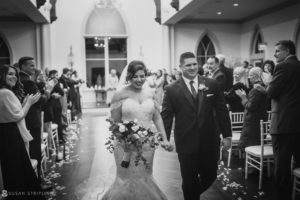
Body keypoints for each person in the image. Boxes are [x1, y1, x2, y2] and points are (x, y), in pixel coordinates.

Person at [161, 52, 232, 200]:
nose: (193, 67)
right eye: (188, 65)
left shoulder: (211, 84)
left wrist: (227, 135)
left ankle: (191, 194)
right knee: (189, 179)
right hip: (186, 142)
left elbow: (222, 110)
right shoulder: (171, 89)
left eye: (194, 64)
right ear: (180, 67)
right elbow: (166, 116)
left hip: (210, 140)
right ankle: (191, 194)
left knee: (210, 175)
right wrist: (165, 138)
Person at [101, 60, 172, 200]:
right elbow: (114, 123)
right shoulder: (120, 94)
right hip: (124, 145)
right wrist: (126, 138)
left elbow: (157, 118)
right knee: (125, 178)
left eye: (142, 76)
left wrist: (165, 139)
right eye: (135, 76)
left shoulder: (151, 93)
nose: (139, 80)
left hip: (147, 144)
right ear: (129, 76)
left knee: (145, 177)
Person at [0, 65, 45, 199]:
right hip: (10, 134)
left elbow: (12, 112)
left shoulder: (4, 92)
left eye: (15, 74)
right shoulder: (5, 93)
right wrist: (29, 103)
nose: (14, 77)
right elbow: (18, 116)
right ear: (1, 75)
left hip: (6, 133)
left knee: (13, 170)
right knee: (18, 171)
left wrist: (25, 102)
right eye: (9, 74)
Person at [267, 40, 300, 200]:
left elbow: (272, 92)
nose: (275, 54)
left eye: (278, 51)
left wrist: (267, 85)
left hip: (283, 122)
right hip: (297, 123)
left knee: (281, 163)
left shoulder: (283, 66)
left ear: (287, 51)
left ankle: (283, 197)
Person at [18, 56, 53, 190]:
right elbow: (41, 100)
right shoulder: (27, 82)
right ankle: (37, 182)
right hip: (32, 120)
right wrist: (47, 90)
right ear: (23, 67)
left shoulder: (23, 80)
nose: (34, 67)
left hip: (27, 119)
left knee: (30, 150)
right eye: (31, 65)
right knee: (34, 151)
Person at [235, 67, 268, 153]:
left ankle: (251, 163)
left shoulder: (256, 90)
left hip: (253, 122)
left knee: (251, 144)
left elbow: (250, 107)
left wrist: (243, 97)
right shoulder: (262, 87)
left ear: (256, 77)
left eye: (250, 75)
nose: (249, 78)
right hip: (259, 119)